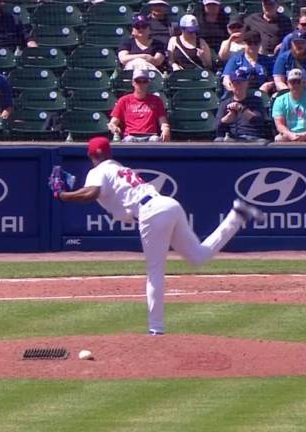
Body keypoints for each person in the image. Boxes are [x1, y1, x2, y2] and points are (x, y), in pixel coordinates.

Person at [51, 136, 266, 335]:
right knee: (199, 256)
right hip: (168, 204)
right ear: (109, 153)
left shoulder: (98, 171)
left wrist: (63, 195)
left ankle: (156, 329)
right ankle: (236, 216)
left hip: (151, 212)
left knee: (155, 272)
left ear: (91, 156)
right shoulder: (118, 168)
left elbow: (92, 193)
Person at [108, 69, 170, 142]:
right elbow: (113, 123)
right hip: (131, 135)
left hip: (150, 135)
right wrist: (114, 127)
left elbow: (163, 122)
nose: (141, 84)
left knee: (155, 139)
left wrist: (165, 128)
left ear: (148, 83)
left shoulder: (156, 100)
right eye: (138, 81)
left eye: (144, 81)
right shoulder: (124, 100)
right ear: (133, 83)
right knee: (129, 140)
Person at [215, 66, 269, 143]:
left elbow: (260, 122)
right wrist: (227, 119)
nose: (238, 86)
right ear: (231, 85)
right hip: (232, 138)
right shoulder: (225, 103)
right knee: (218, 140)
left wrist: (242, 109)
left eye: (241, 82)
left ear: (247, 83)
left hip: (254, 137)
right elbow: (217, 127)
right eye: (235, 83)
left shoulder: (256, 100)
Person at [273, 31, 306, 104]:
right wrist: (291, 94)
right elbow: (279, 82)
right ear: (291, 43)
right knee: (275, 98)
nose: (299, 45)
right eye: (296, 43)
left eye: (302, 43)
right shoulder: (283, 58)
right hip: (288, 93)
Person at [271, 68, 306, 142]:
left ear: (303, 82)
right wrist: (291, 135)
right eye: (292, 82)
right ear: (288, 83)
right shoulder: (279, 100)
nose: (295, 84)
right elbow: (279, 125)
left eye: (298, 81)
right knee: (279, 139)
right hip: (288, 134)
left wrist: (305, 135)